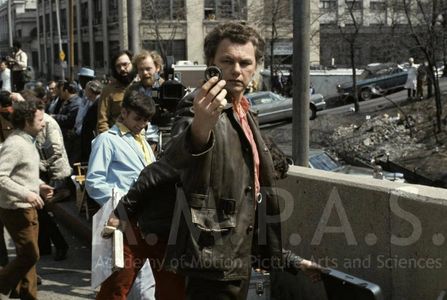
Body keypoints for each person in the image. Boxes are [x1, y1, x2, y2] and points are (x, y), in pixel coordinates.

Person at [156, 22, 318, 299]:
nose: (236, 70)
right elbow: (174, 163)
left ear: (256, 67)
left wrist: (285, 257)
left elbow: (248, 200)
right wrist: (200, 129)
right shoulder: (197, 110)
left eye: (245, 62)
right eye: (227, 61)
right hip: (209, 263)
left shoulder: (245, 114)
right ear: (211, 64)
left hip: (238, 261)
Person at [86, 89, 158, 300]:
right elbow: (94, 182)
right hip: (122, 220)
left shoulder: (142, 140)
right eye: (137, 118)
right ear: (123, 113)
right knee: (119, 283)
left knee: (144, 285)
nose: (141, 124)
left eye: (145, 120)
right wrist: (125, 202)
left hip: (145, 221)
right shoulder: (106, 140)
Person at [0, 99, 53, 299]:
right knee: (30, 255)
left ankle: (26, 295)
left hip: (27, 208)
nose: (44, 122)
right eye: (40, 119)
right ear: (27, 121)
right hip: (16, 208)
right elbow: (1, 176)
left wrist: (39, 186)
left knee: (28, 257)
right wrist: (27, 193)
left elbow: (22, 173)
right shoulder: (15, 144)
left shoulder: (27, 140)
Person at [127, 50, 164, 151]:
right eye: (141, 69)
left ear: (157, 68)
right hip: (134, 140)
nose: (145, 73)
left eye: (148, 69)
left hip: (161, 141)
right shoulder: (132, 90)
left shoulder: (166, 88)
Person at [97, 50, 135, 133]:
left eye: (125, 64)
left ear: (132, 63)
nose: (122, 69)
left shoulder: (141, 85)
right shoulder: (108, 90)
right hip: (118, 137)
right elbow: (102, 121)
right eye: (118, 66)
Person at [51, 81, 82, 165]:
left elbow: (70, 119)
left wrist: (55, 117)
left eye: (62, 91)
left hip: (71, 139)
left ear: (66, 91)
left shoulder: (76, 103)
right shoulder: (67, 101)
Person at [79, 80, 103, 162]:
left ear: (90, 91)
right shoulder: (92, 103)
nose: (84, 92)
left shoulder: (98, 104)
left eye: (86, 90)